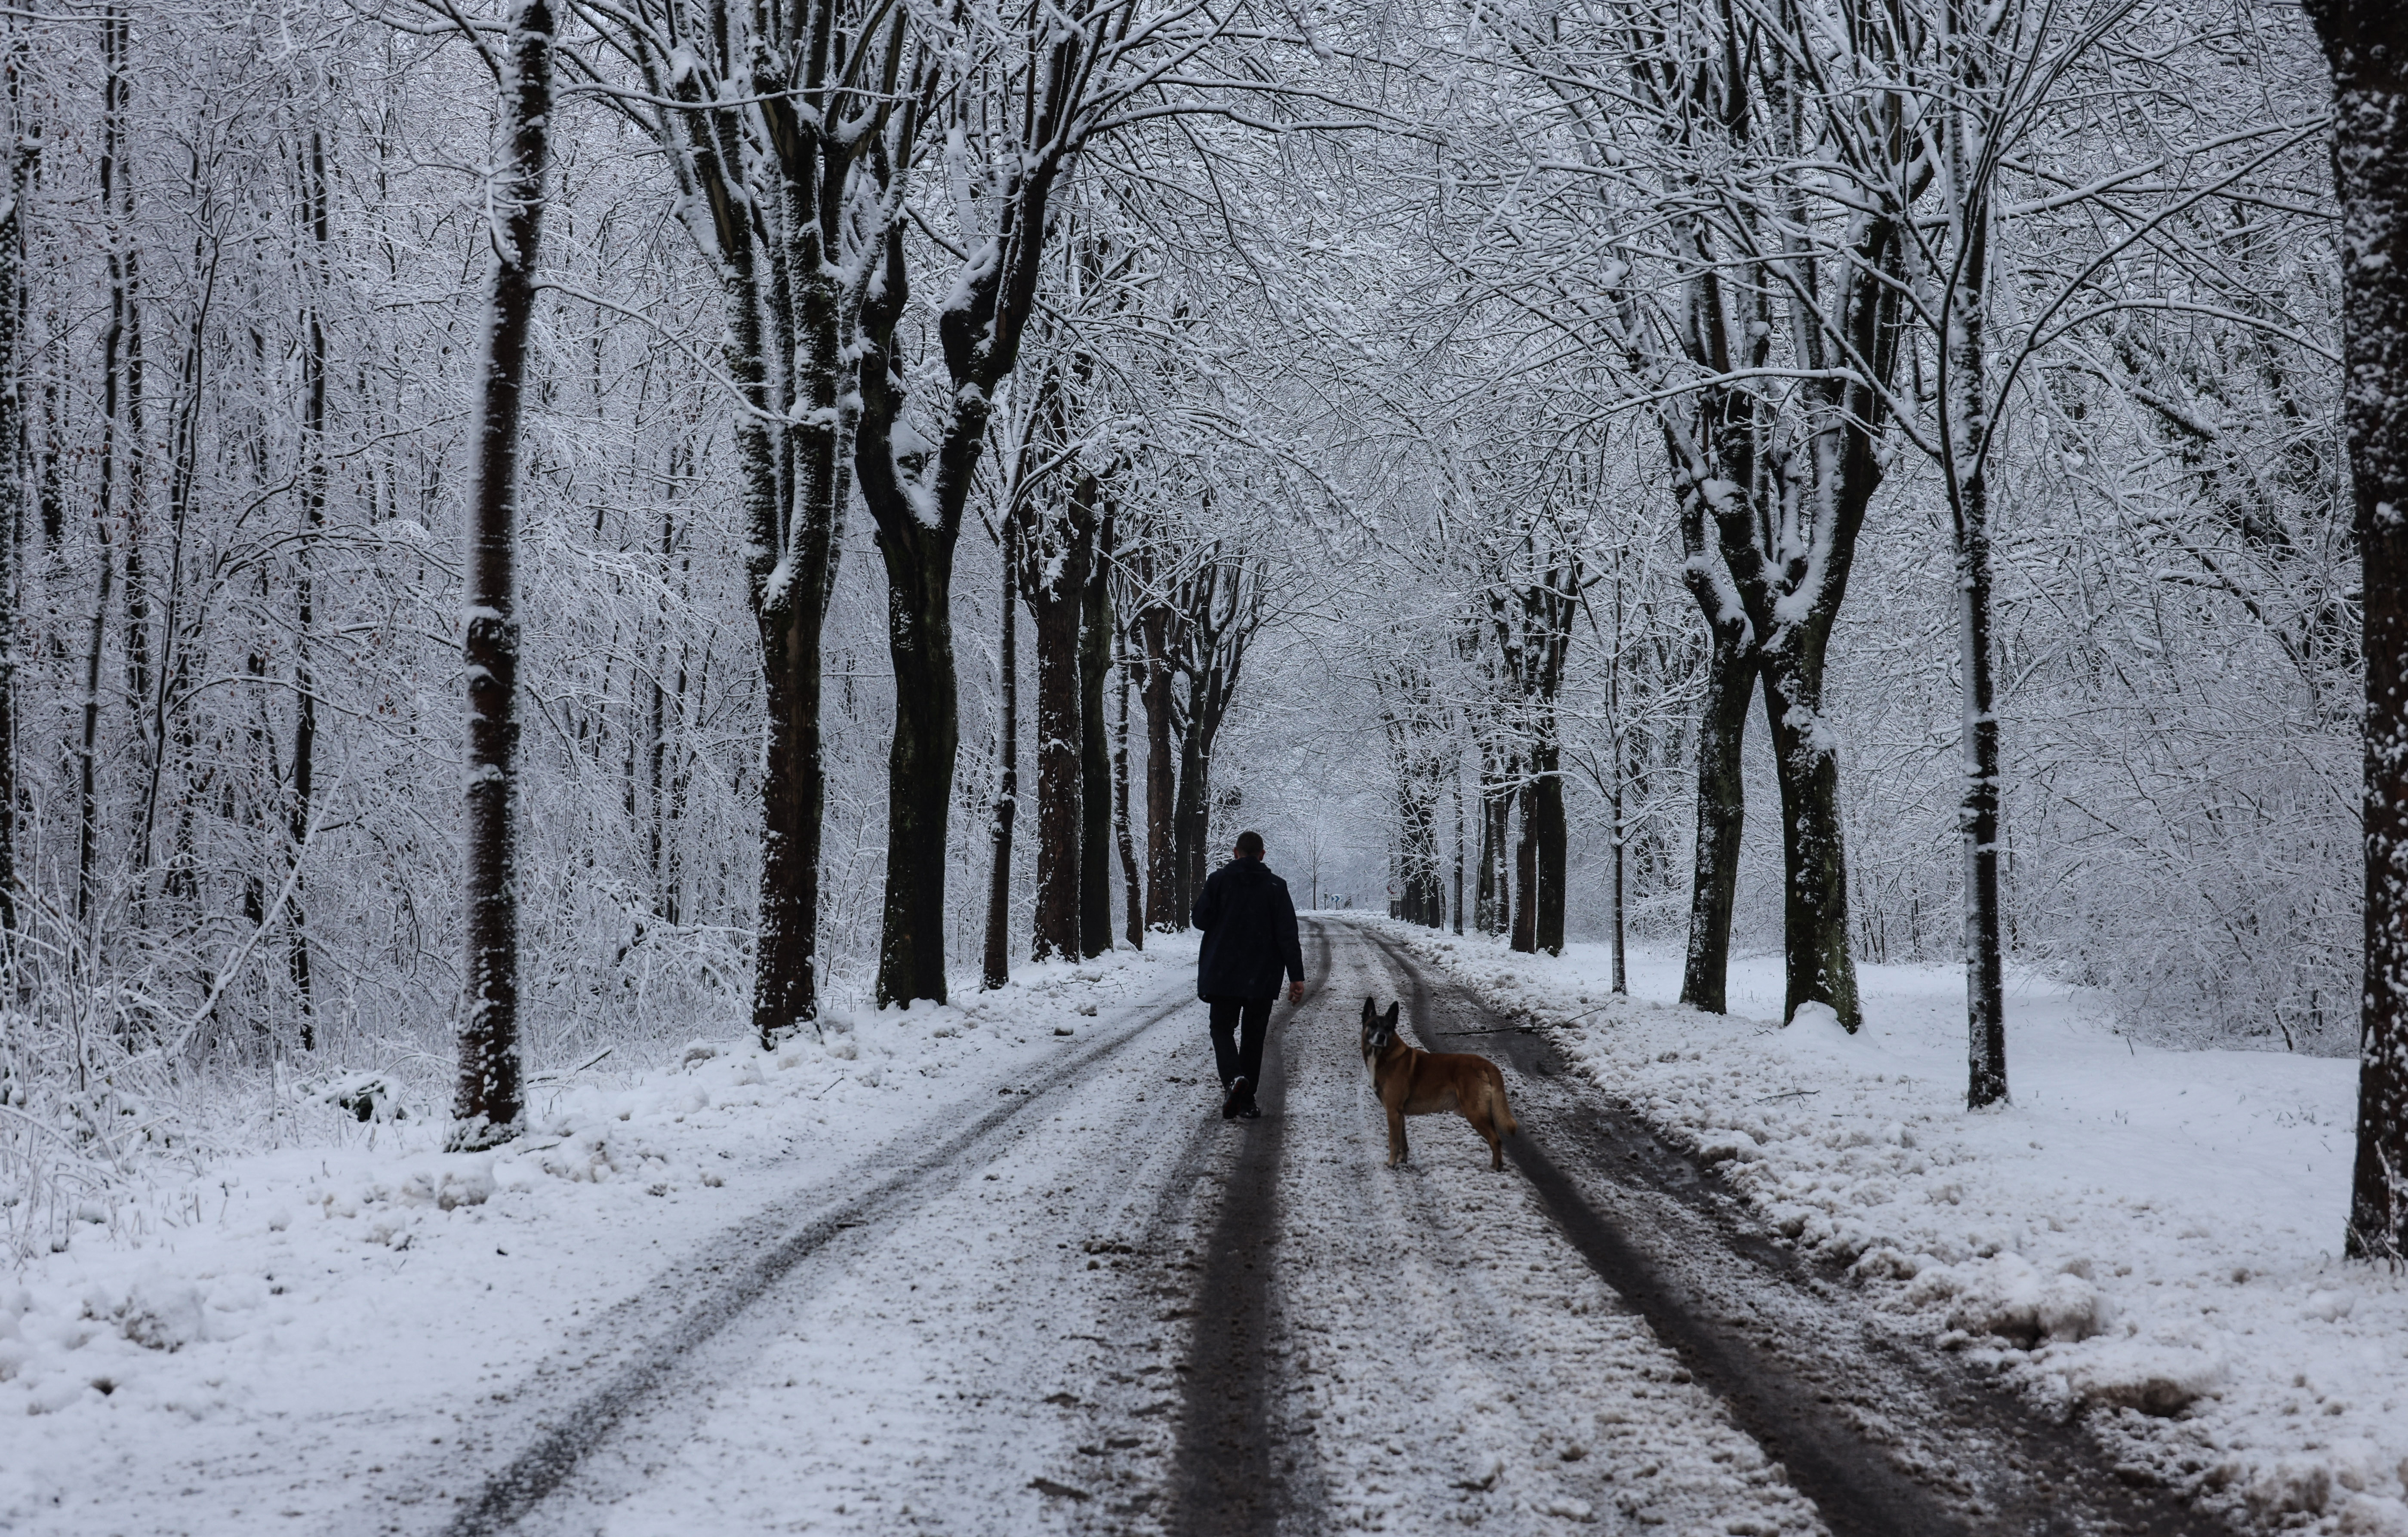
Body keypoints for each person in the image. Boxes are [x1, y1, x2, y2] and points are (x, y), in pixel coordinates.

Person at [1192, 830, 1307, 1120]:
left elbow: (1200, 920)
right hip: (1262, 976)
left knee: (1222, 1029)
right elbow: (1287, 936)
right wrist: (1296, 977)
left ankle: (1233, 1079)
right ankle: (1247, 1100)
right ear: (1262, 855)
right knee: (1254, 1037)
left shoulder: (1218, 881)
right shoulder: (1276, 887)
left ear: (1235, 852)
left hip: (1223, 974)